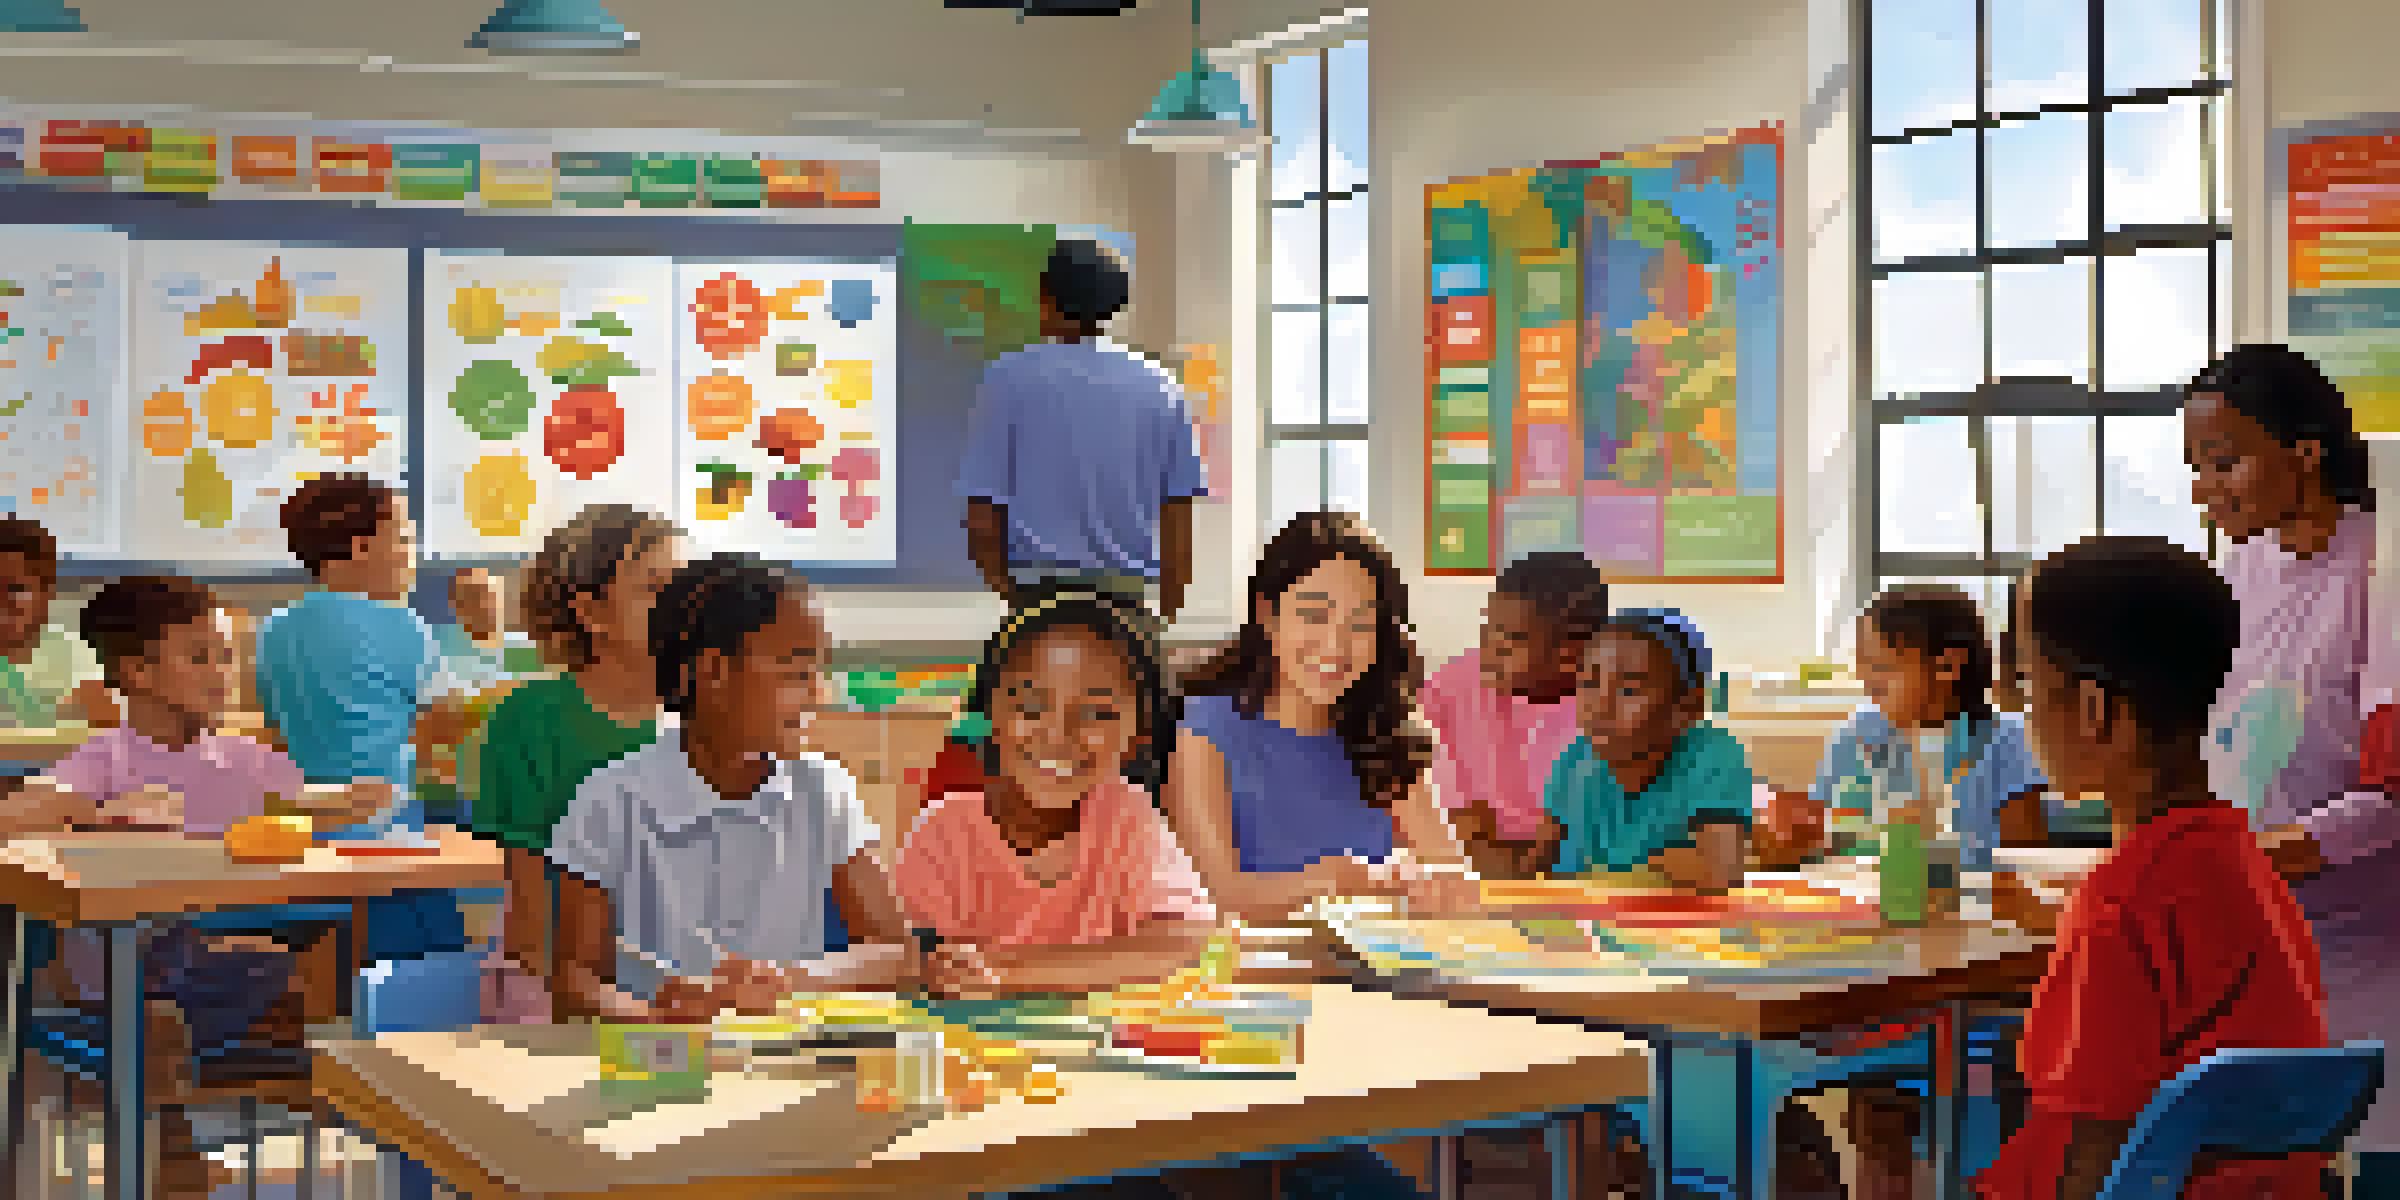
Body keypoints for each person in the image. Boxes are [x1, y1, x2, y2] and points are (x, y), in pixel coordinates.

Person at [1976, 535, 2332, 1200]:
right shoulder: (2244, 864)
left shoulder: (2120, 903)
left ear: (2094, 710)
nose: (2020, 710)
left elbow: (2092, 1149)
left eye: (2026, 683)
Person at [12, 576, 387, 1091]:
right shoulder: (107, 759)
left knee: (287, 963)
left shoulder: (244, 757)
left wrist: (355, 799)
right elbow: (20, 813)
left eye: (228, 657)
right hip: (120, 962)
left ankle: (177, 1093)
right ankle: (162, 1091)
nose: (222, 675)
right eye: (201, 658)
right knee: (182, 986)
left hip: (200, 953)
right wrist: (95, 818)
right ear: (138, 672)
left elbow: (308, 807)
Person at [2183, 344, 2400, 1185]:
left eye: (2227, 461)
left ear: (2304, 453)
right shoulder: (2243, 567)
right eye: (2197, 468)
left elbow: (2390, 798)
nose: (2207, 489)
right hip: (2257, 937)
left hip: (2362, 952)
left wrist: (2266, 855)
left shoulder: (2378, 567)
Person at [1760, 585, 2047, 1200]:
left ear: (1948, 665)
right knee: (1878, 1102)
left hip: (1978, 959)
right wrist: (1796, 837)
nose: (1869, 682)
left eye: (1884, 666)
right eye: (1863, 666)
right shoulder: (1861, 735)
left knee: (1962, 1098)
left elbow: (2024, 855)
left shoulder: (2001, 740)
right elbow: (1825, 839)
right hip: (1881, 948)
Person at [549, 554, 914, 1023]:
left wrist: (792, 981)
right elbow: (575, 986)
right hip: (656, 1069)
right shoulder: (610, 800)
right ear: (713, 672)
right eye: (797, 673)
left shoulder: (821, 789)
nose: (819, 695)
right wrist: (654, 1018)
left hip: (784, 1072)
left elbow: (898, 956)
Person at [894, 589, 1215, 997]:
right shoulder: (941, 834)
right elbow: (909, 964)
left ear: (1136, 737)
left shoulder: (1127, 817)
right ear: (990, 715)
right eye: (1030, 707)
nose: (1058, 737)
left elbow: (1188, 946)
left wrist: (1004, 973)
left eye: (1096, 714)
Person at [1163, 511, 1477, 924]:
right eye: (1313, 615)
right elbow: (1217, 895)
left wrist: (1435, 886)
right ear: (1268, 616)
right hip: (1253, 978)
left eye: (1360, 623)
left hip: (1381, 975)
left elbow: (1455, 879)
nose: (1335, 644)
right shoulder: (1205, 728)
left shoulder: (1388, 730)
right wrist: (1337, 879)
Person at [467, 505, 681, 1015]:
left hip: (681, 990)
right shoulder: (530, 721)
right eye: (656, 590)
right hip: (557, 994)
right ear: (592, 615)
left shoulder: (706, 716)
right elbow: (532, 923)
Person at [253, 472, 466, 963]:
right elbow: (449, 720)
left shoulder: (274, 629)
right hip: (385, 826)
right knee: (424, 958)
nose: (414, 554)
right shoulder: (402, 625)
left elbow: (275, 729)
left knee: (336, 958)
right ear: (362, 547)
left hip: (303, 824)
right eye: (406, 538)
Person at [957, 239, 1205, 624]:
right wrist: (1166, 620)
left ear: (1047, 297)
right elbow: (1179, 524)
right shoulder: (1162, 386)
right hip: (1127, 603)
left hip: (1037, 598)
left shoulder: (1008, 379)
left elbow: (982, 519)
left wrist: (1011, 595)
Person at [1535, 609, 1751, 893]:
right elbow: (1538, 864)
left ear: (1686, 708)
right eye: (1589, 683)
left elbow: (1719, 874)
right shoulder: (1574, 760)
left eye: (1629, 689)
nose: (1600, 705)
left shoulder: (1713, 757)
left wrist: (1613, 877)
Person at [1419, 551, 1606, 879]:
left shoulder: (1609, 709)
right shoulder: (1452, 687)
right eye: (1489, 628)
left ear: (1568, 654)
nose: (1489, 647)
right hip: (1462, 860)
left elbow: (1586, 839)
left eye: (1510, 638)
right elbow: (1444, 816)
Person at [0, 517, 113, 735]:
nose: (3, 601)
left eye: (16, 588)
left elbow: (104, 732)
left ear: (47, 594)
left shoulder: (78, 658)